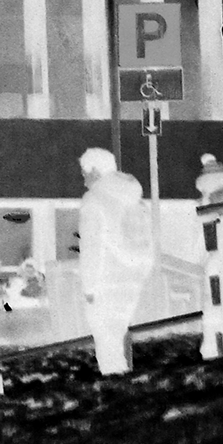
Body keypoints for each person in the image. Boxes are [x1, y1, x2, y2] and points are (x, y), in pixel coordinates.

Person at [76, 146, 156, 374]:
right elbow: (149, 238)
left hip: (106, 279)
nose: (84, 181)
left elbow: (91, 246)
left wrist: (89, 286)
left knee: (106, 340)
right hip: (133, 277)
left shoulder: (94, 199)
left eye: (85, 174)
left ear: (94, 171)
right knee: (117, 334)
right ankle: (121, 382)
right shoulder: (135, 198)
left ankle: (117, 387)